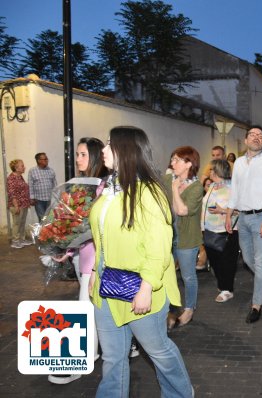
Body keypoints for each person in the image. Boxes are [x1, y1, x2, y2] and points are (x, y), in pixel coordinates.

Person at [89, 126, 193, 397]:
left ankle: (181, 394)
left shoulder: (149, 192)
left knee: (158, 350)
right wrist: (93, 270)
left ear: (126, 150)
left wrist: (146, 287)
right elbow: (101, 235)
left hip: (141, 284)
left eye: (109, 144)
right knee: (112, 356)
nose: (103, 149)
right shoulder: (110, 189)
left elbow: (159, 246)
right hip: (107, 283)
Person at [47, 137, 109, 385]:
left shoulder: (103, 187)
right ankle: (126, 344)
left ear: (94, 156)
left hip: (97, 259)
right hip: (82, 257)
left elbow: (98, 227)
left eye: (83, 154)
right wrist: (66, 250)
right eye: (77, 154)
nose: (78, 159)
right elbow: (75, 226)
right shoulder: (78, 186)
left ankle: (81, 361)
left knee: (86, 308)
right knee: (94, 307)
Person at [225, 125, 262, 324]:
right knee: (248, 259)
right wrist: (229, 215)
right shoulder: (239, 163)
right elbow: (235, 191)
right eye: (252, 135)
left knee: (259, 261)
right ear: (246, 140)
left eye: (260, 136)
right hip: (244, 218)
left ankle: (256, 305)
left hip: (261, 217)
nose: (256, 138)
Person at [164, 146, 203, 329]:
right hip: (167, 237)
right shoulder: (166, 179)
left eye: (176, 160)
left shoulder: (196, 187)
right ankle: (169, 310)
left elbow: (181, 210)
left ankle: (189, 309)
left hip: (187, 238)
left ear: (188, 164)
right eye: (172, 159)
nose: (172, 163)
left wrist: (174, 189)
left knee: (188, 277)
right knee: (166, 275)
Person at [201, 159, 240, 302]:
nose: (209, 172)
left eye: (211, 169)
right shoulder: (211, 186)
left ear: (218, 171)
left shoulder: (232, 188)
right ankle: (223, 284)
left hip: (227, 230)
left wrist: (222, 210)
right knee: (215, 261)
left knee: (227, 263)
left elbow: (239, 211)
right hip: (210, 230)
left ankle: (227, 289)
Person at [7, 159, 33, 249]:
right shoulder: (11, 178)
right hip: (16, 205)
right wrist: (16, 206)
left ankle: (21, 239)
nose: (24, 167)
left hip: (23, 204)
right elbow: (12, 193)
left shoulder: (20, 176)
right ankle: (15, 241)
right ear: (16, 168)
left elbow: (23, 190)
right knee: (16, 223)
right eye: (22, 166)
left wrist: (27, 202)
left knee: (22, 222)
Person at [28, 152, 57, 221]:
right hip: (38, 200)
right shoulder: (32, 171)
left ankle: (48, 232)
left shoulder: (51, 170)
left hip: (49, 199)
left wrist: (56, 196)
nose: (47, 160)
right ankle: (42, 231)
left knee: (50, 219)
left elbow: (55, 184)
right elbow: (30, 185)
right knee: (42, 219)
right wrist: (32, 198)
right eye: (45, 159)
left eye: (47, 159)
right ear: (39, 160)